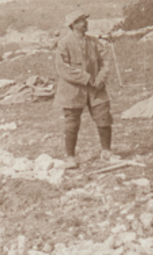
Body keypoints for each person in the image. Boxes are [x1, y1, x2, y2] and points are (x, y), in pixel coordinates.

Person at [54, 12, 118, 170]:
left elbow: (106, 62)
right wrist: (86, 78)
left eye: (85, 21)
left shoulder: (94, 42)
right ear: (73, 25)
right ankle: (70, 157)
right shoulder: (64, 44)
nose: (85, 24)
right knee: (72, 123)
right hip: (73, 89)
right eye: (81, 21)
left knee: (104, 118)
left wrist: (101, 78)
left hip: (96, 88)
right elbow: (63, 68)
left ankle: (107, 152)